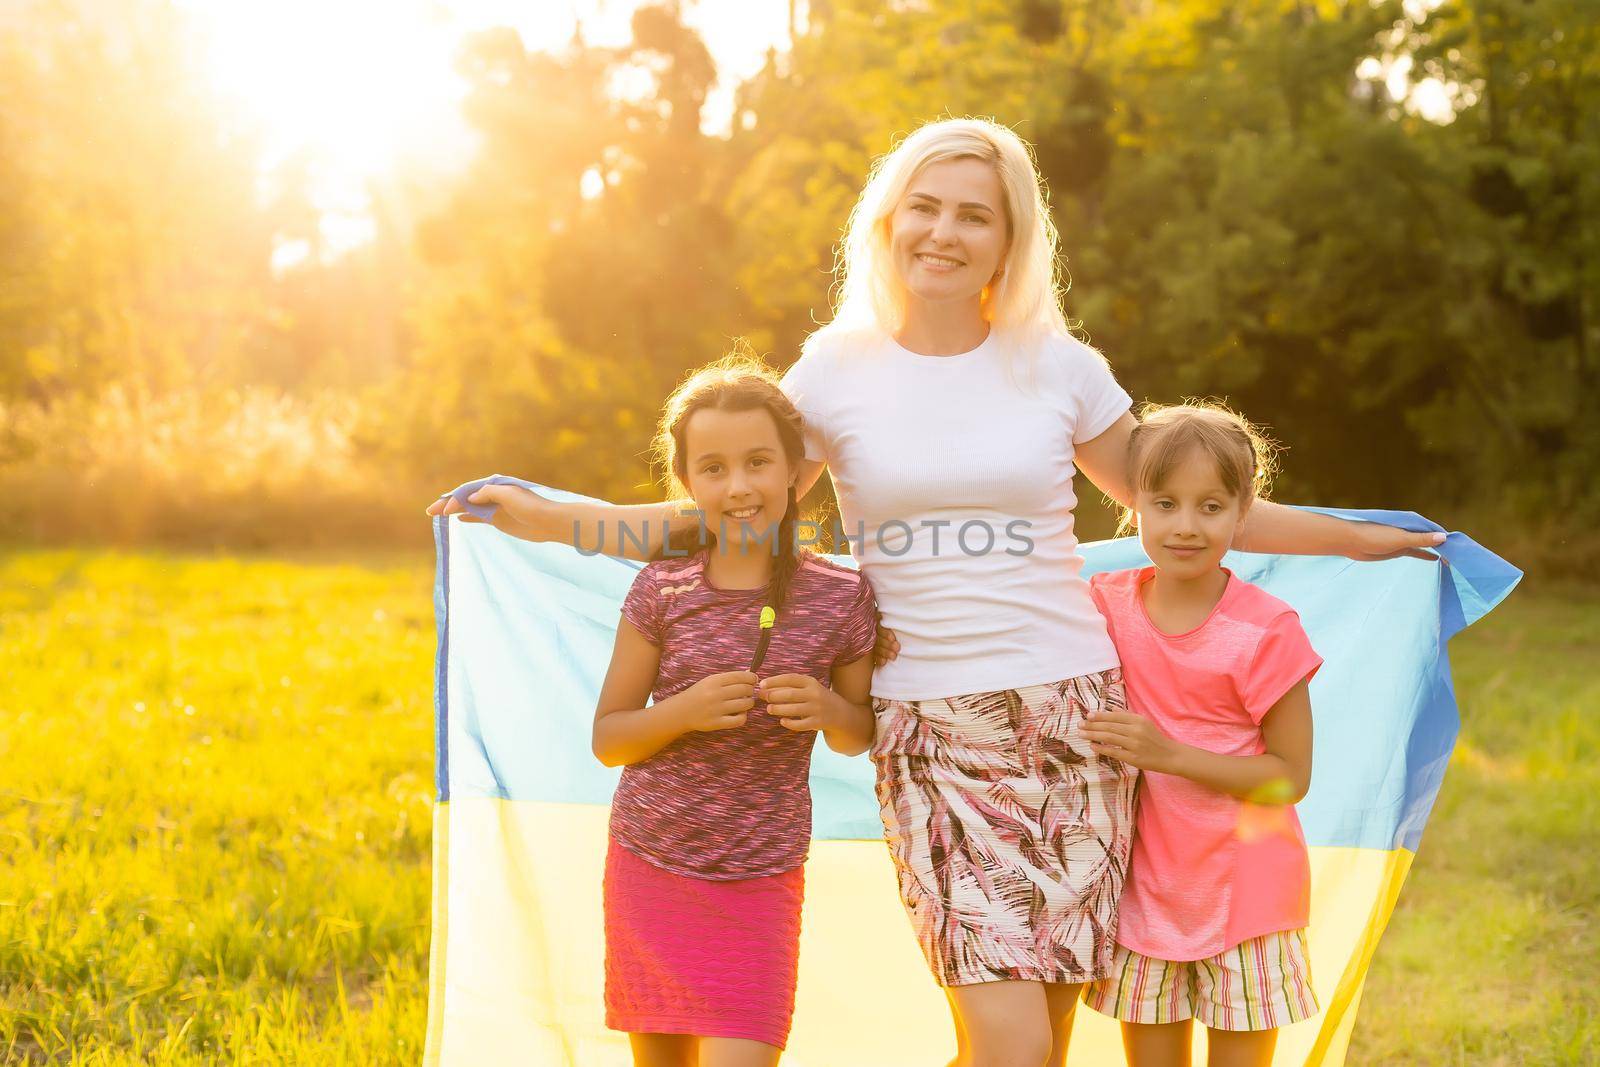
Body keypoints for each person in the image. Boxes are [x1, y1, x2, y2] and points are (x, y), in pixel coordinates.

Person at [429, 118, 1441, 1067]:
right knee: (1014, 1046)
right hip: (929, 729)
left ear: (1009, 242)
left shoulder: (1059, 366)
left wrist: (1360, 541)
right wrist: (551, 513)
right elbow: (728, 512)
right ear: (887, 220)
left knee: (1028, 1047)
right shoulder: (833, 371)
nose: (943, 230)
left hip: (1075, 726)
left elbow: (1189, 502)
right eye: (925, 204)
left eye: (974, 213)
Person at [591, 355, 879, 1067]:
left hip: (760, 877)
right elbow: (609, 739)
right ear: (689, 482)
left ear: (793, 469)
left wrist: (826, 707)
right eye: (713, 468)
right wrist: (683, 710)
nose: (739, 485)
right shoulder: (662, 589)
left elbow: (859, 734)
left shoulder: (841, 596)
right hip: (649, 863)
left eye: (757, 461)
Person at [1080, 403, 1320, 1067]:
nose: (1186, 526)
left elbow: (1289, 775)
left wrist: (1170, 754)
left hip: (1247, 903)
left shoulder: (1266, 629)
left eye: (1210, 506)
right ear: (1134, 506)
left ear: (1243, 512)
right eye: (1166, 503)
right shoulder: (1105, 604)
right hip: (1142, 899)